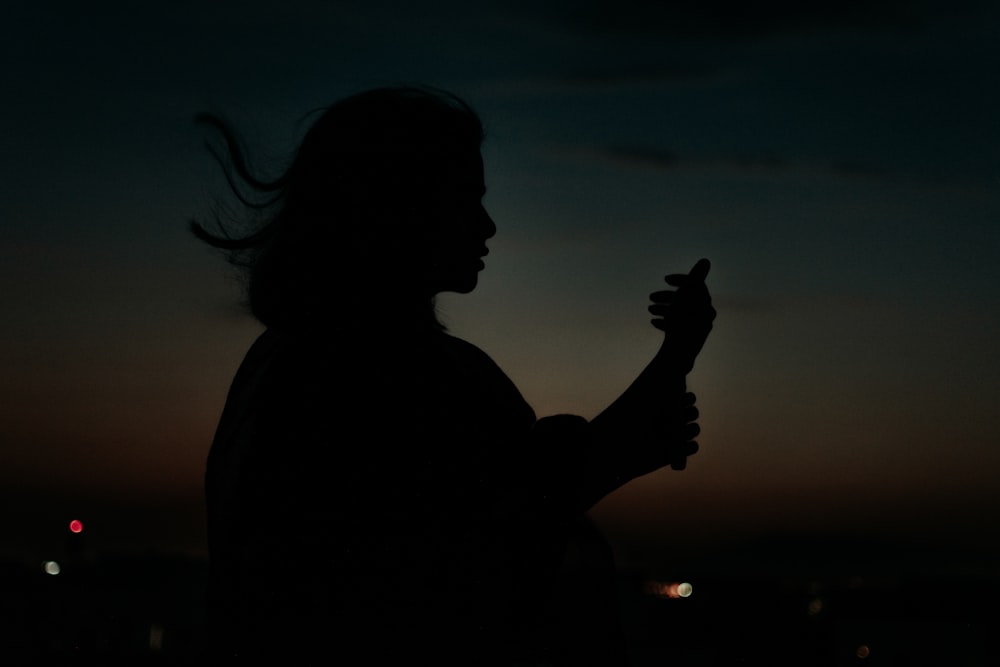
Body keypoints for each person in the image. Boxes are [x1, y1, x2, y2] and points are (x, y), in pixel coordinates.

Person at [193, 86, 715, 665]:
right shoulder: (390, 372)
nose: (488, 226)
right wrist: (670, 367)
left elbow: (532, 492)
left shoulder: (297, 360)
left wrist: (670, 366)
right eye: (467, 198)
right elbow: (504, 530)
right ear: (396, 206)